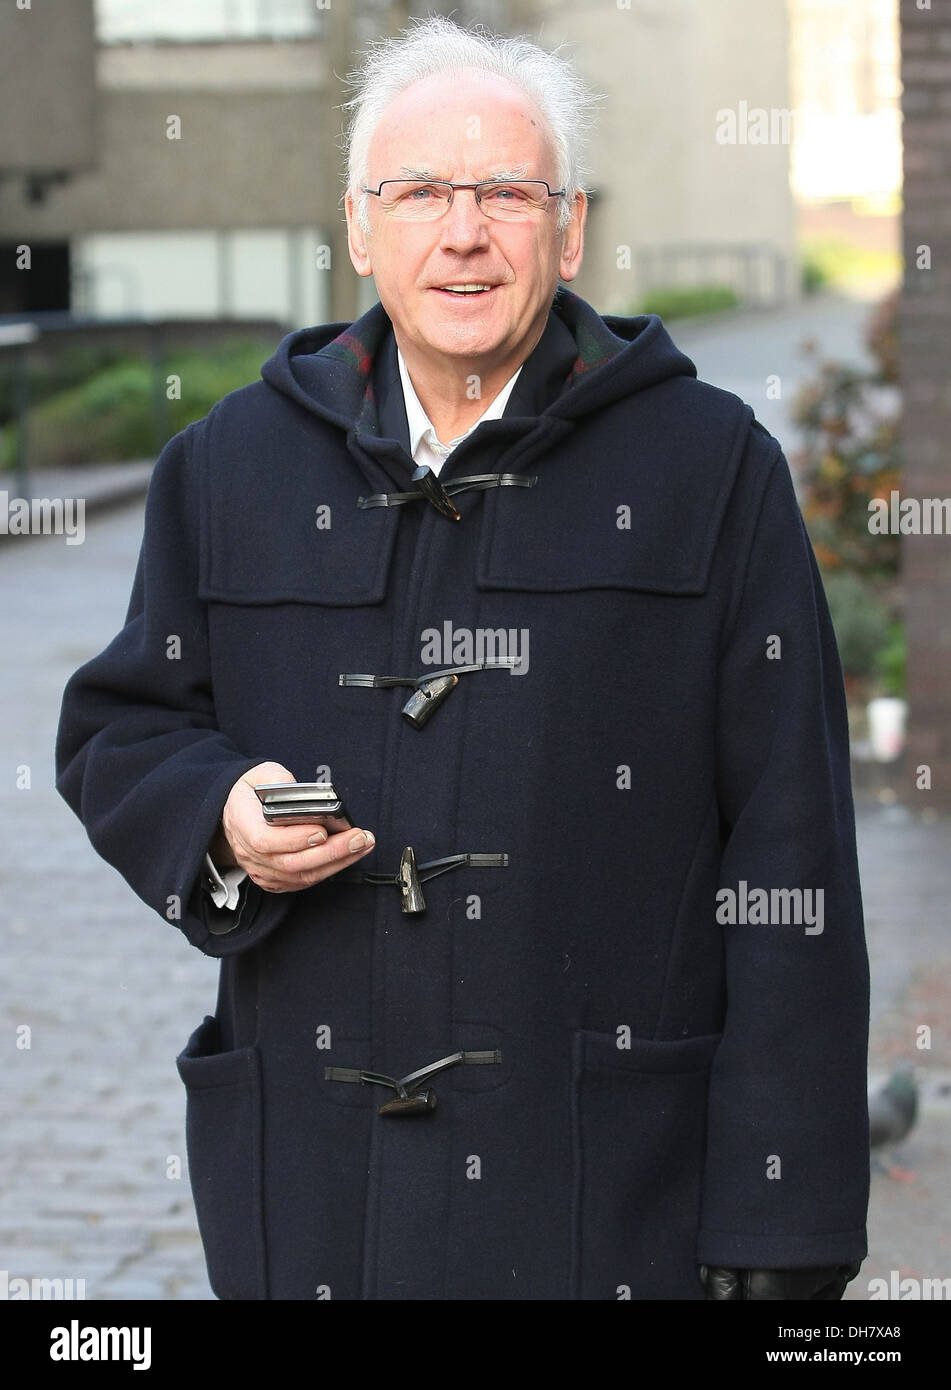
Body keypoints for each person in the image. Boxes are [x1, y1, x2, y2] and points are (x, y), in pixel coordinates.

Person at [55, 15, 869, 1301]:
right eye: (420, 191)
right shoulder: (226, 465)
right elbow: (121, 730)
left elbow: (793, 850)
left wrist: (786, 1221)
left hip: (605, 1194)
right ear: (359, 226)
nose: (464, 229)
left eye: (507, 192)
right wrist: (216, 815)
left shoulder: (712, 470)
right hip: (310, 1190)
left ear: (572, 228)